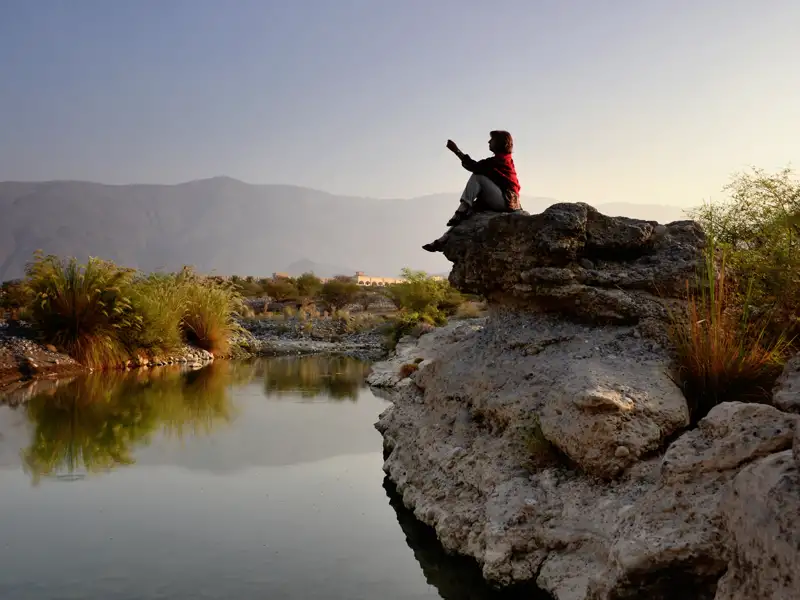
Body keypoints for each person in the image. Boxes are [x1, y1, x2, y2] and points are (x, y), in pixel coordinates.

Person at [422, 130, 521, 253]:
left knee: (477, 176)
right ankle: (443, 239)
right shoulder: (496, 161)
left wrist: (456, 151)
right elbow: (476, 166)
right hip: (501, 199)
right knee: (467, 214)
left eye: (492, 140)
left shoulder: (501, 161)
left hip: (507, 201)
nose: (489, 142)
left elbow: (474, 167)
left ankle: (462, 208)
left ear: (500, 142)